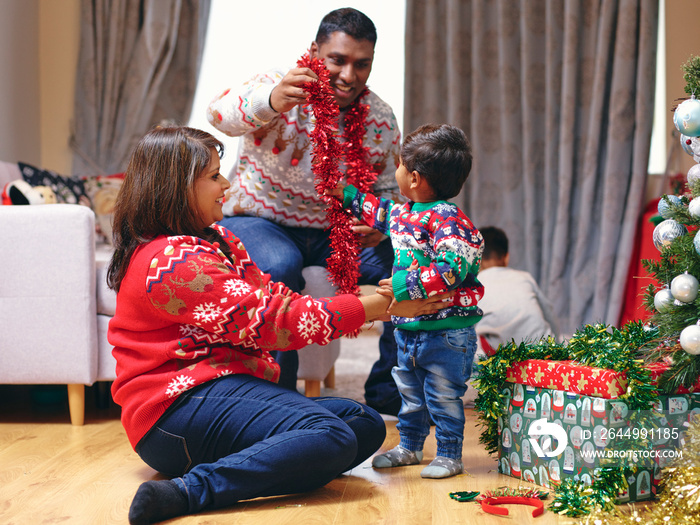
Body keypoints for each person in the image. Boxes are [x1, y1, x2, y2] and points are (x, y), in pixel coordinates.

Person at [106, 126, 453, 524]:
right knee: (331, 436)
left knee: (362, 423)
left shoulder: (215, 239)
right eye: (215, 176)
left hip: (219, 389)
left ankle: (258, 460)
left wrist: (369, 300)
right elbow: (274, 324)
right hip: (173, 415)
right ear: (177, 187)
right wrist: (380, 306)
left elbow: (280, 300)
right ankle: (188, 491)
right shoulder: (171, 262)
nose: (227, 184)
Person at [206, 7, 403, 415]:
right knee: (278, 264)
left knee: (411, 267)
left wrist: (379, 226)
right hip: (261, 220)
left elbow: (388, 190)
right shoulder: (278, 86)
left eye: (362, 64)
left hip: (337, 234)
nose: (349, 75)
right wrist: (271, 100)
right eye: (338, 60)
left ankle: (389, 391)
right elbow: (218, 115)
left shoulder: (380, 117)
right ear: (315, 51)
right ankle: (278, 398)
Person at [326, 124, 484, 479]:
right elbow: (378, 210)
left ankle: (448, 454)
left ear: (413, 177)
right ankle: (410, 447)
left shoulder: (451, 222)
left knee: (443, 397)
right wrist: (346, 193)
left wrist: (401, 286)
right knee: (409, 394)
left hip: (446, 332)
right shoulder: (405, 213)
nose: (394, 171)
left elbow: (452, 269)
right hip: (408, 330)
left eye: (397, 165)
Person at [475, 226, 558, 353]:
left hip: (501, 359)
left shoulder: (474, 286)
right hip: (543, 353)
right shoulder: (525, 277)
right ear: (506, 257)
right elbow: (548, 314)